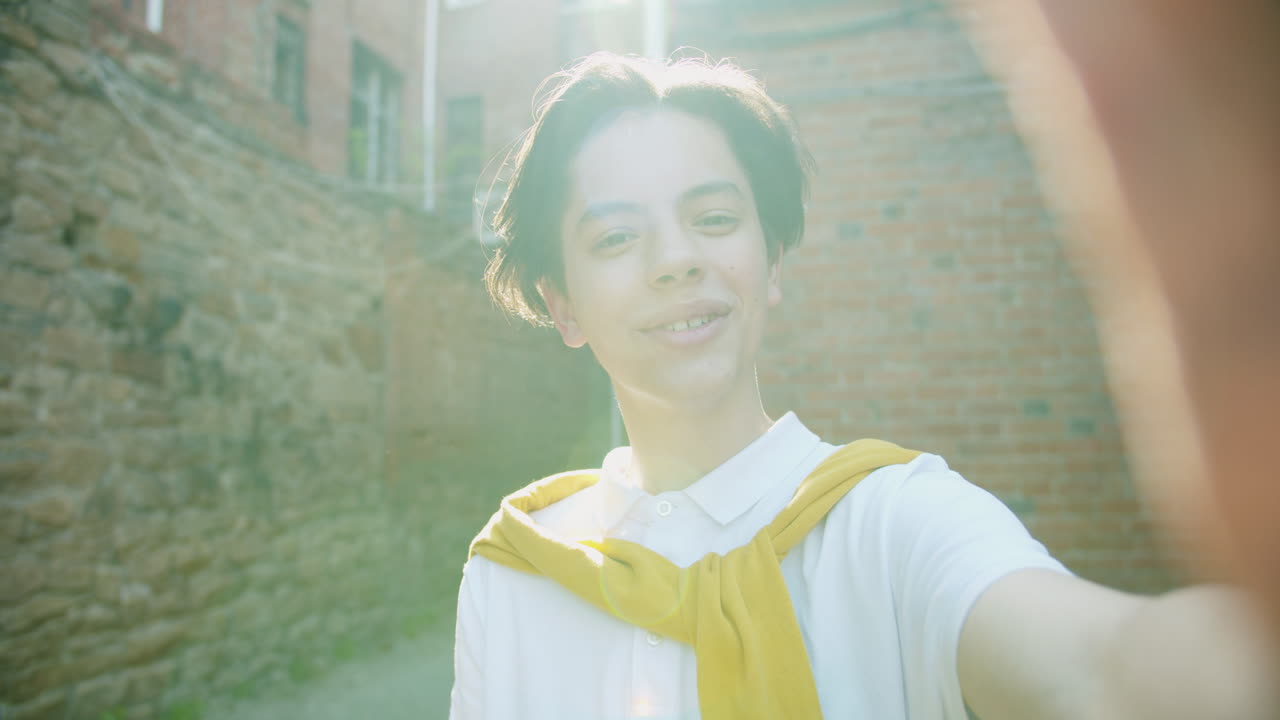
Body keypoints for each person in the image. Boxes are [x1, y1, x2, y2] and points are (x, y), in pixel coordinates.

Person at [449, 52, 1276, 720]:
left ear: (769, 263)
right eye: (619, 235)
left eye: (713, 219)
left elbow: (1105, 670)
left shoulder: (893, 522)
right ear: (562, 305)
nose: (677, 259)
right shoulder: (517, 566)